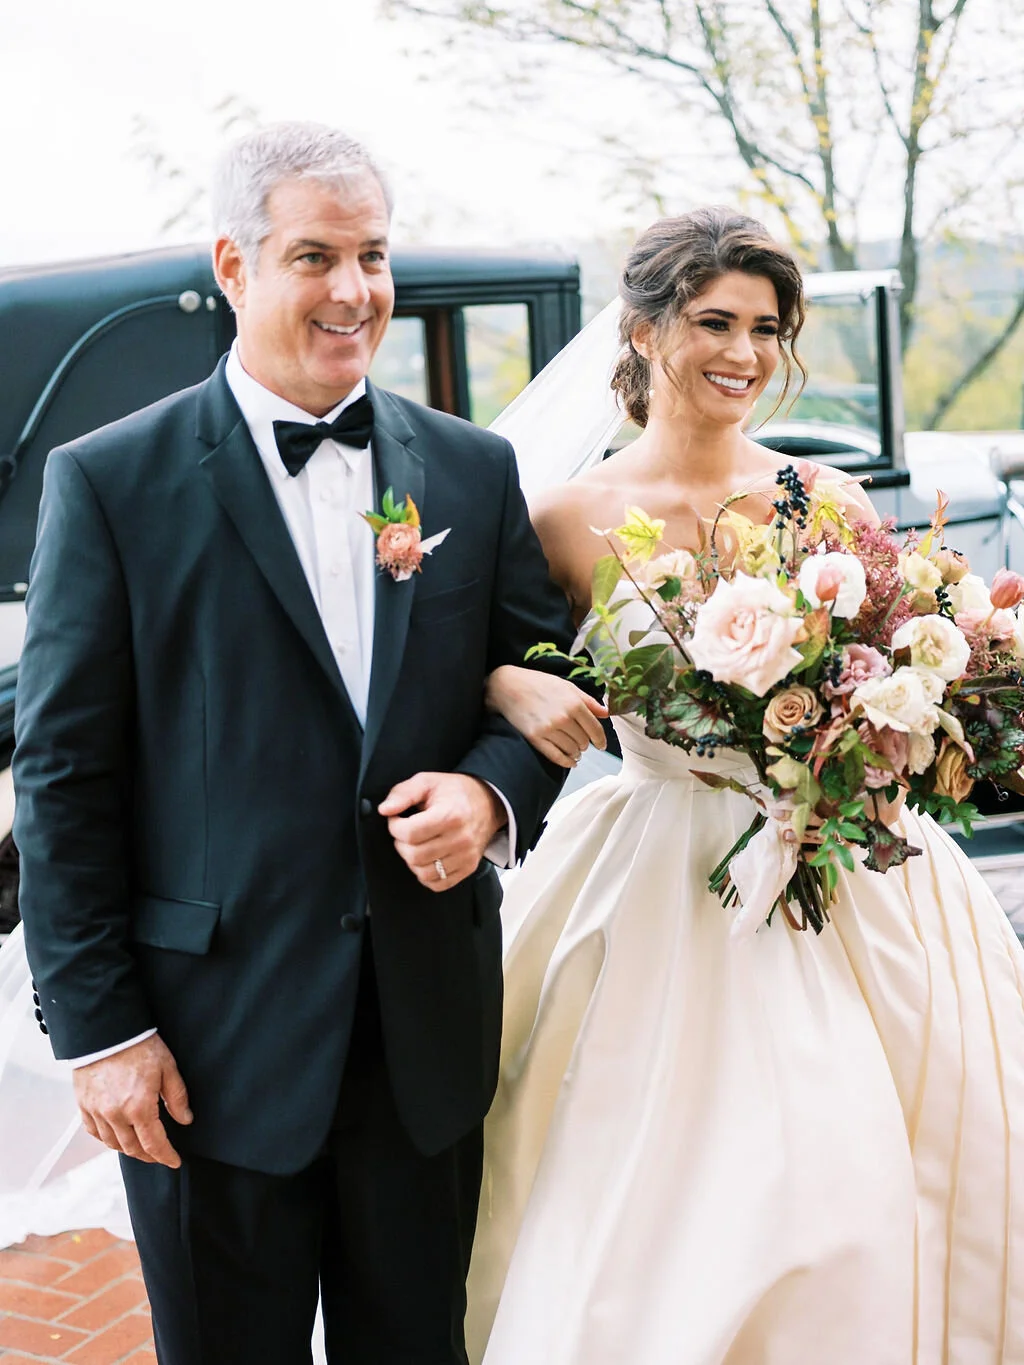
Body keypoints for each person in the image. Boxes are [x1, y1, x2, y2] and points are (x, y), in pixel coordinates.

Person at [10, 121, 579, 1365]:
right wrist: (102, 1034)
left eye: (372, 254)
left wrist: (489, 796)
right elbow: (62, 776)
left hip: (422, 1039)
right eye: (315, 256)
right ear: (235, 265)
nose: (354, 290)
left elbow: (546, 680)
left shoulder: (471, 471)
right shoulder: (109, 482)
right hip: (205, 1048)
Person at [466, 208, 1024, 1363]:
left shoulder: (828, 503)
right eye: (714, 322)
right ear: (643, 331)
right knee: (658, 1172)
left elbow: (894, 675)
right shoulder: (565, 519)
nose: (745, 352)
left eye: (766, 329)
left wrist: (950, 679)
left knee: (856, 1155)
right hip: (658, 868)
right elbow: (491, 667)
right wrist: (505, 683)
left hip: (847, 860)